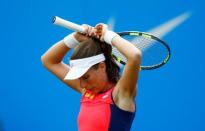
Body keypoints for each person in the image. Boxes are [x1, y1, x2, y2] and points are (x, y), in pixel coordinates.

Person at [41, 23, 141, 131]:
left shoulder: (122, 94)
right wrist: (75, 38)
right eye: (79, 78)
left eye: (86, 77)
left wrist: (107, 35)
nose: (82, 84)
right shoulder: (87, 91)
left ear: (102, 66)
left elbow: (135, 55)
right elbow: (48, 60)